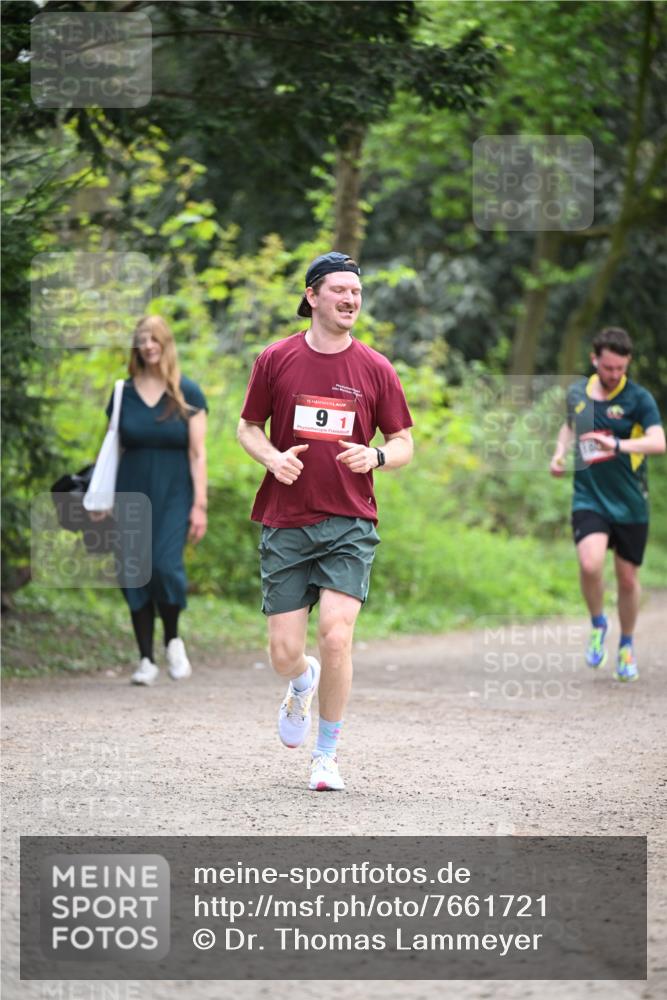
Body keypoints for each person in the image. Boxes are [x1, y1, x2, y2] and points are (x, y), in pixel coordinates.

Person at [237, 252, 413, 791]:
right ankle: (300, 682)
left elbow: (404, 441)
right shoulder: (276, 359)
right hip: (287, 520)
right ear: (312, 296)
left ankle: (327, 756)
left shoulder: (376, 368)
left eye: (356, 293)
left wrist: (377, 457)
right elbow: (248, 427)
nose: (350, 300)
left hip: (349, 522)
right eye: (339, 290)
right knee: (285, 653)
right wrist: (271, 458)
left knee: (337, 636)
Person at [91, 315, 208, 685]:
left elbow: (198, 453)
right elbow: (112, 447)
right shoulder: (122, 392)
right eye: (141, 338)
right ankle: (145, 659)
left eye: (154, 338)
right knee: (133, 570)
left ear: (166, 343)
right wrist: (101, 496)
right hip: (130, 489)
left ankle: (172, 638)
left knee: (163, 565)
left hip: (175, 492)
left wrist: (200, 505)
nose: (147, 344)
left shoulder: (188, 392)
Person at [550, 327, 665, 681]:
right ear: (595, 359)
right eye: (608, 368)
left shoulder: (639, 399)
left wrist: (616, 446)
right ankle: (599, 623)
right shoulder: (578, 393)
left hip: (630, 502)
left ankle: (626, 644)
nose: (614, 375)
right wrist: (559, 454)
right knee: (589, 563)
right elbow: (570, 427)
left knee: (628, 581)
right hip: (590, 497)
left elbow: (658, 442)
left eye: (620, 368)